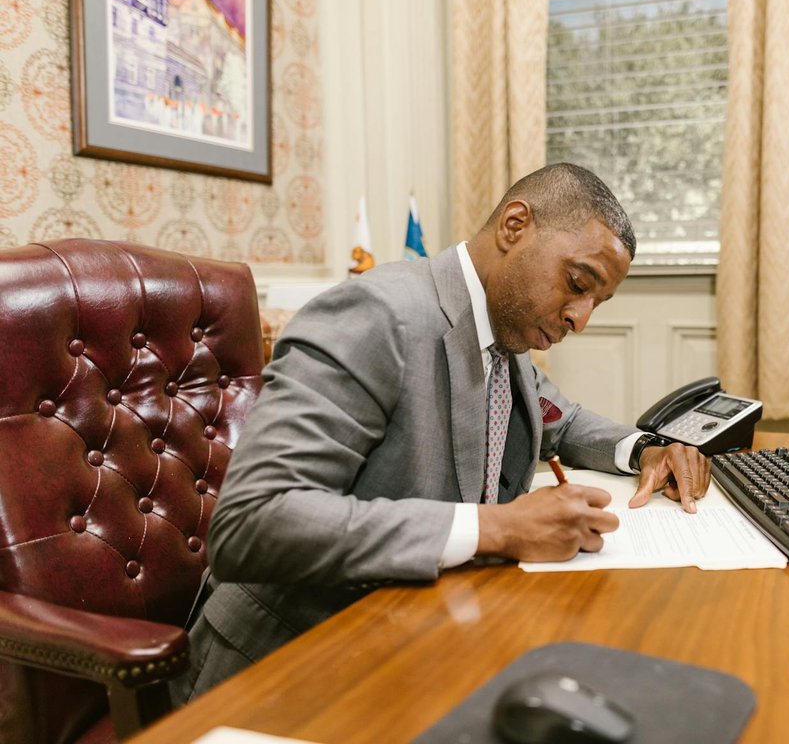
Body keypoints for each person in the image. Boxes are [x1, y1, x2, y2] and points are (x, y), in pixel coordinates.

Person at [172, 163, 711, 702]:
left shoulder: (504, 335)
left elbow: (559, 419)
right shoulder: (376, 314)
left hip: (419, 638)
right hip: (290, 667)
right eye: (577, 284)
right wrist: (496, 528)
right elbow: (251, 522)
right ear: (514, 226)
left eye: (597, 302)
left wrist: (642, 449)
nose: (581, 318)